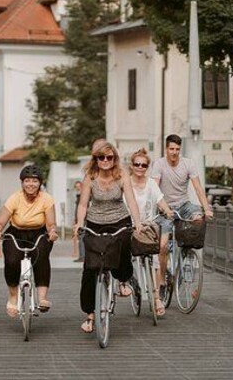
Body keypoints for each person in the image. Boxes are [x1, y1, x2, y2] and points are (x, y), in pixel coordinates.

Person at [74, 142, 143, 333]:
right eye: (101, 157)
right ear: (95, 159)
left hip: (119, 220)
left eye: (109, 157)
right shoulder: (90, 176)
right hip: (95, 222)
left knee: (122, 248)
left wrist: (137, 223)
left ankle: (124, 279)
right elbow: (83, 204)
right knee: (89, 268)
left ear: (114, 159)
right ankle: (90, 314)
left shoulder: (122, 176)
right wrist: (79, 222)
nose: (105, 161)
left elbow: (131, 201)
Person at [0, 164, 58, 317]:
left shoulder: (46, 199)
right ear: (22, 182)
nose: (31, 184)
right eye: (27, 181)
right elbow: (0, 222)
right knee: (12, 261)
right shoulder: (15, 198)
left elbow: (50, 224)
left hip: (39, 233)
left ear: (40, 183)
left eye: (34, 181)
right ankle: (13, 297)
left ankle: (42, 298)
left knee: (42, 257)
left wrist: (53, 232)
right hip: (16, 233)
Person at [150, 134, 214, 291]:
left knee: (198, 216)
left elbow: (198, 188)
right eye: (171, 149)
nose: (174, 152)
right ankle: (162, 281)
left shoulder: (188, 164)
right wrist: (164, 209)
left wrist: (206, 208)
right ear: (166, 149)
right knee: (163, 246)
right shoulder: (159, 164)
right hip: (165, 208)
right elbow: (154, 189)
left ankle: (186, 254)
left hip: (184, 205)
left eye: (177, 149)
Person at [129, 148, 172, 317]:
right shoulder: (126, 183)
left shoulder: (151, 184)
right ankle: (128, 281)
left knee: (153, 259)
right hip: (131, 225)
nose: (140, 167)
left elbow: (160, 200)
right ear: (131, 166)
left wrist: (168, 211)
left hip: (148, 226)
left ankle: (156, 298)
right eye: (137, 164)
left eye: (144, 165)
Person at [72, 180, 85, 262]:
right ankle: (82, 255)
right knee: (80, 238)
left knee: (82, 238)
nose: (78, 189)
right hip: (79, 220)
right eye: (76, 187)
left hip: (84, 220)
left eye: (79, 187)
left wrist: (81, 220)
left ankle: (82, 256)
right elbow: (77, 210)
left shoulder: (84, 196)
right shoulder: (78, 196)